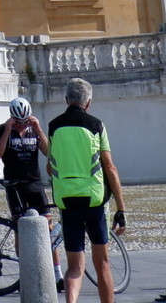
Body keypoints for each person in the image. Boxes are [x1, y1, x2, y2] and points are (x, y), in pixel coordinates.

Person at [47, 78, 124, 303]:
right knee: (102, 265)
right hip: (93, 199)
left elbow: (50, 167)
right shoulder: (96, 125)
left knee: (74, 268)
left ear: (66, 100)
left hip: (67, 200)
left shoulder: (53, 126)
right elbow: (109, 166)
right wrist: (121, 207)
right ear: (88, 102)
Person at [0, 96, 51, 219]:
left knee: (46, 221)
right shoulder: (3, 129)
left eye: (25, 121)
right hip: (14, 184)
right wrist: (7, 130)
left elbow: (48, 152)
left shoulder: (33, 128)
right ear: (12, 118)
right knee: (20, 224)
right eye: (18, 122)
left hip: (34, 181)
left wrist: (38, 130)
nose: (22, 125)